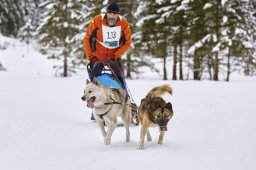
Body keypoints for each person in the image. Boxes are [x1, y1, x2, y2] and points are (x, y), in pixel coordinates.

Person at [83, 2, 138, 124]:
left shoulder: (123, 23)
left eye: (115, 14)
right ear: (106, 13)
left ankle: (127, 108)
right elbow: (87, 39)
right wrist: (91, 57)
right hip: (97, 58)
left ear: (118, 15)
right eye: (110, 13)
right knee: (95, 85)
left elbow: (127, 42)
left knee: (120, 83)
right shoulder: (97, 20)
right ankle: (96, 109)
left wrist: (115, 55)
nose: (112, 16)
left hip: (114, 58)